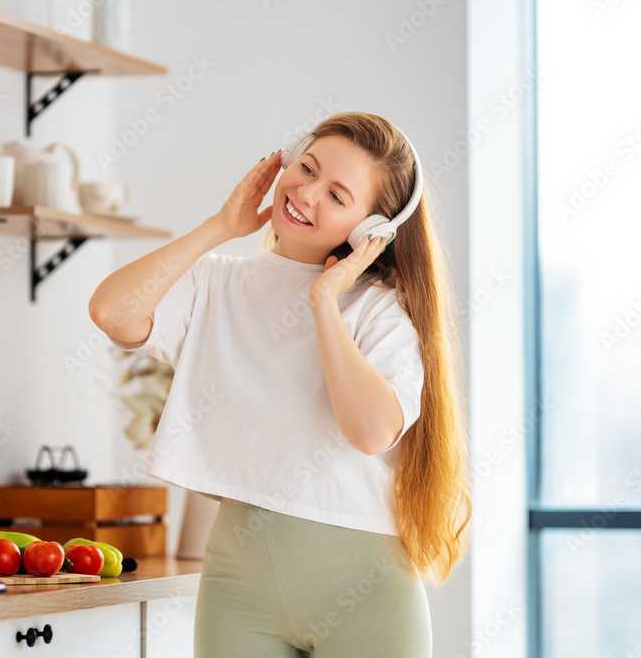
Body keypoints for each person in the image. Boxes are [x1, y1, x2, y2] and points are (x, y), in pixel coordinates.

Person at [89, 112, 472, 657]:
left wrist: (324, 302)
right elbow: (111, 311)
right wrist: (221, 225)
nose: (307, 193)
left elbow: (371, 431)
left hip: (365, 591)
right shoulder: (216, 283)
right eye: (308, 168)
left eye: (337, 195)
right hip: (237, 583)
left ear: (372, 232)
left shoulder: (378, 313)